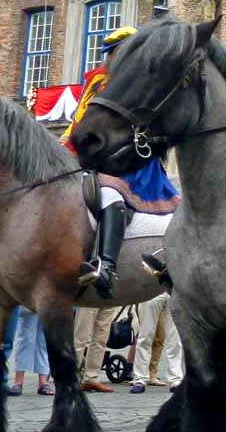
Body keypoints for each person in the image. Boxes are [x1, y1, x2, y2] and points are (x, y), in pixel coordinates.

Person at [63, 26, 180, 298]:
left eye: (119, 52)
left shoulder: (147, 80)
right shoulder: (96, 81)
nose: (112, 58)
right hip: (95, 158)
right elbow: (81, 119)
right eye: (111, 53)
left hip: (131, 163)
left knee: (110, 193)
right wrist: (65, 145)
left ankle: (107, 266)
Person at [129, 291, 183, 394]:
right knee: (145, 336)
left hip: (174, 288)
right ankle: (140, 379)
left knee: (175, 339)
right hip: (153, 287)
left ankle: (176, 379)